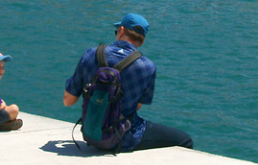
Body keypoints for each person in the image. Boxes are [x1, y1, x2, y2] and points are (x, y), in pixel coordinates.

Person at [62, 11, 191, 151]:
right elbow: (136, 106)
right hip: (126, 138)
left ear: (121, 30)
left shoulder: (91, 54)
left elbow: (68, 101)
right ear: (142, 41)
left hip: (91, 134)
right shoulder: (147, 67)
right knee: (185, 140)